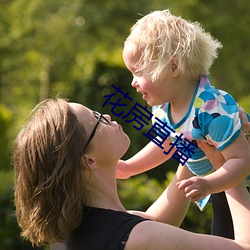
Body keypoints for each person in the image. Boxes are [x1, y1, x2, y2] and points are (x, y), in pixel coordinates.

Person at [13, 98, 250, 250]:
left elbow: (156, 221)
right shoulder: (138, 238)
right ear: (88, 160)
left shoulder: (73, 234)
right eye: (97, 120)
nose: (106, 116)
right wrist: (226, 165)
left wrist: (194, 136)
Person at [119, 9, 250, 239]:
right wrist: (130, 167)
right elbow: (165, 143)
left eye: (138, 72)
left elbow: (242, 160)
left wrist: (209, 184)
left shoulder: (210, 108)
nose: (133, 83)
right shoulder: (163, 109)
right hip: (221, 189)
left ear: (173, 67)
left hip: (239, 186)